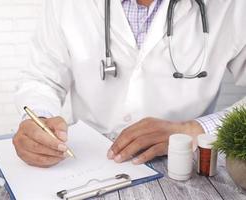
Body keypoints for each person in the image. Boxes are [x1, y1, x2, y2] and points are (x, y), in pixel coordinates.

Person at [13, 0, 246, 168]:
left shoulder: (232, 6)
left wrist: (195, 130)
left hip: (187, 161)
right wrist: (39, 120)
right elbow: (41, 77)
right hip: (88, 160)